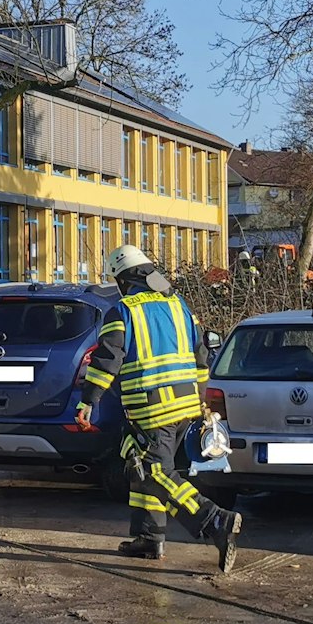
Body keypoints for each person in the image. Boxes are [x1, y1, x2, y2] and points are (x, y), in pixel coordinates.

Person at [76, 244, 242, 573]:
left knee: (153, 473)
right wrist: (202, 400)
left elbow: (107, 360)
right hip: (185, 407)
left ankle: (213, 520)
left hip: (152, 409)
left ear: (124, 280)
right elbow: (200, 357)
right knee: (139, 468)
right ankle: (149, 537)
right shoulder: (179, 306)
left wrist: (88, 400)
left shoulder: (122, 311)